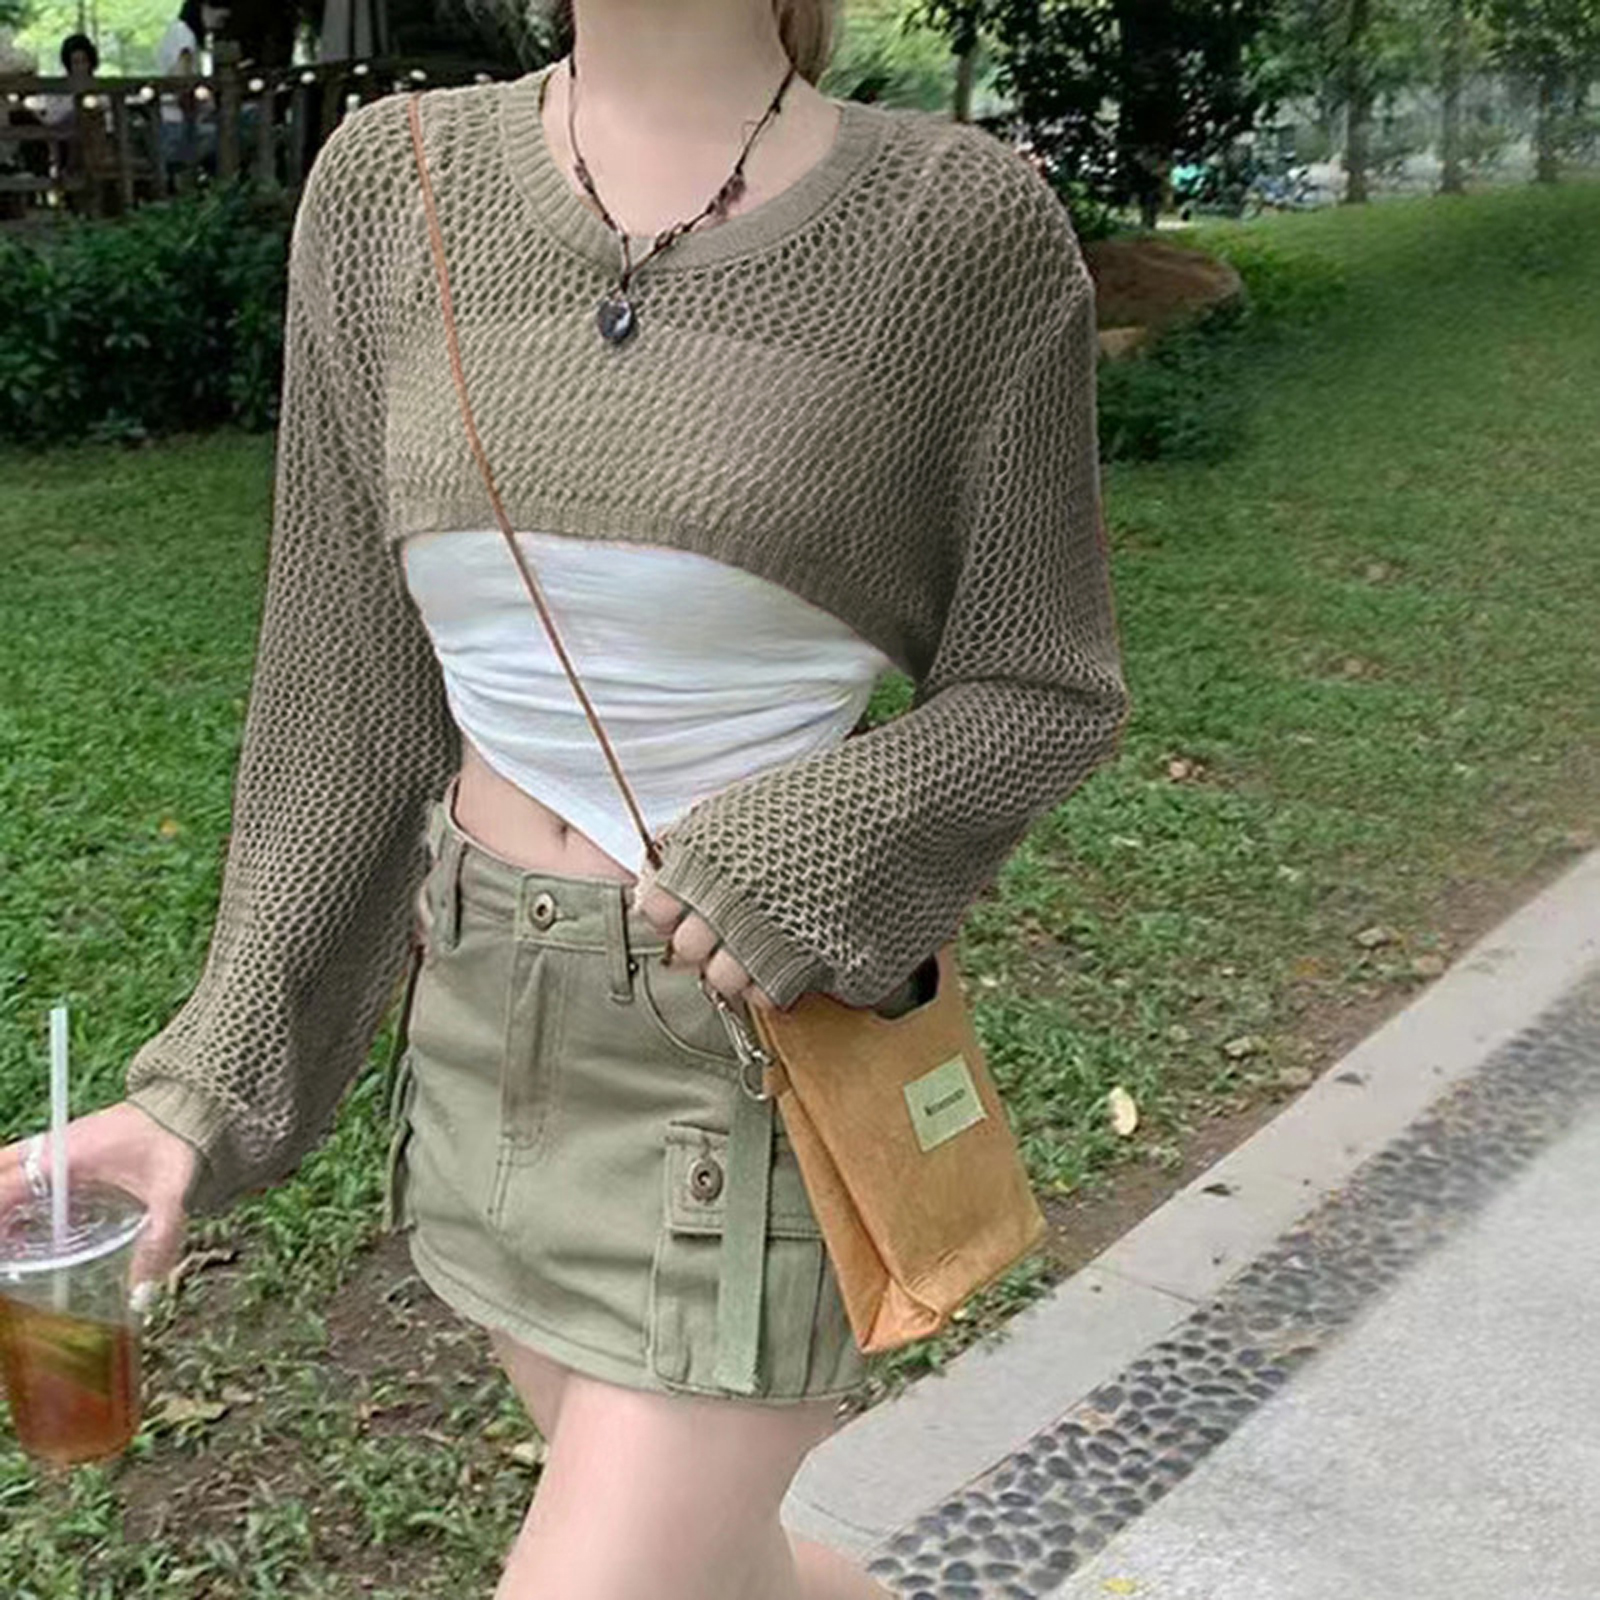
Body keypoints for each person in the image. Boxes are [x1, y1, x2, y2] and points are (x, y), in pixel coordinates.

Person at [0, 0, 1127, 1593]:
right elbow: (340, 701)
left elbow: (1046, 681)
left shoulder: (959, 231)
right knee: (730, 1577)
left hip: (740, 1053)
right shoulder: (390, 186)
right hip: (481, 1045)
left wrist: (818, 843)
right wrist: (207, 1083)